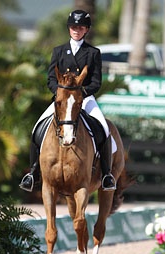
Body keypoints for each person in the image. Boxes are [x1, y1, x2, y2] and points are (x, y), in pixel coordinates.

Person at [19, 9, 116, 192]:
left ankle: (106, 174)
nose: (76, 30)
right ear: (69, 29)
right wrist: (62, 93)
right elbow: (50, 78)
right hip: (63, 99)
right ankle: (32, 173)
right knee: (37, 127)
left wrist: (80, 94)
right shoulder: (58, 51)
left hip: (84, 98)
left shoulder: (93, 53)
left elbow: (96, 81)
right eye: (73, 27)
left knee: (103, 127)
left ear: (86, 30)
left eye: (80, 27)